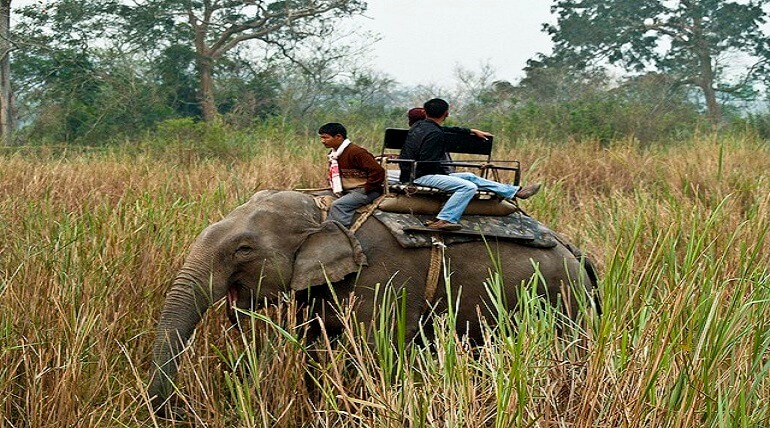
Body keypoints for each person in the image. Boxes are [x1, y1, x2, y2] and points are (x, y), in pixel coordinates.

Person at [400, 98, 541, 231]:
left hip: (414, 171)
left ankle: (515, 191)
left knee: (469, 176)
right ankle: (445, 219)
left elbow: (446, 129)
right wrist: (447, 175)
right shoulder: (436, 134)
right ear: (446, 114)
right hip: (421, 176)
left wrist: (471, 131)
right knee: (467, 186)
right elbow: (428, 162)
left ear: (425, 112)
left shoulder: (419, 126)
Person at [318, 122, 385, 228]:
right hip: (346, 190)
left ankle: (338, 233)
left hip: (364, 190)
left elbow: (378, 172)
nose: (322, 141)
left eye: (325, 138)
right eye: (321, 138)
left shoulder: (356, 152)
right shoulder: (334, 155)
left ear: (339, 137)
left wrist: (366, 189)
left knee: (338, 205)